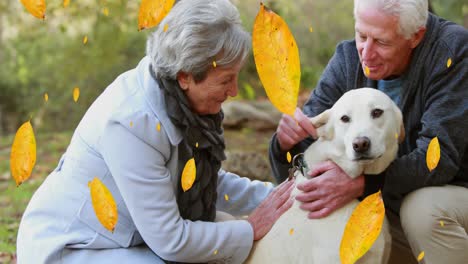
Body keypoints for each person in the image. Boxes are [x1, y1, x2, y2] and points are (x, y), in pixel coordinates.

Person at [17, 0, 295, 263]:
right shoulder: (130, 124)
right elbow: (171, 239)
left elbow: (205, 181)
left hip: (128, 237)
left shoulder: (182, 103)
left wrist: (279, 197)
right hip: (75, 248)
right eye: (225, 80)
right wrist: (251, 228)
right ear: (185, 76)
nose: (233, 92)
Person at [269, 0, 468, 263]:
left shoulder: (453, 51)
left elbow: (437, 160)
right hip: (391, 201)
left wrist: (362, 184)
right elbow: (306, 151)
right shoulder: (348, 59)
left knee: (421, 210)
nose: (366, 53)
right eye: (361, 35)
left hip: (452, 196)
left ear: (416, 36)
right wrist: (285, 144)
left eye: (382, 42)